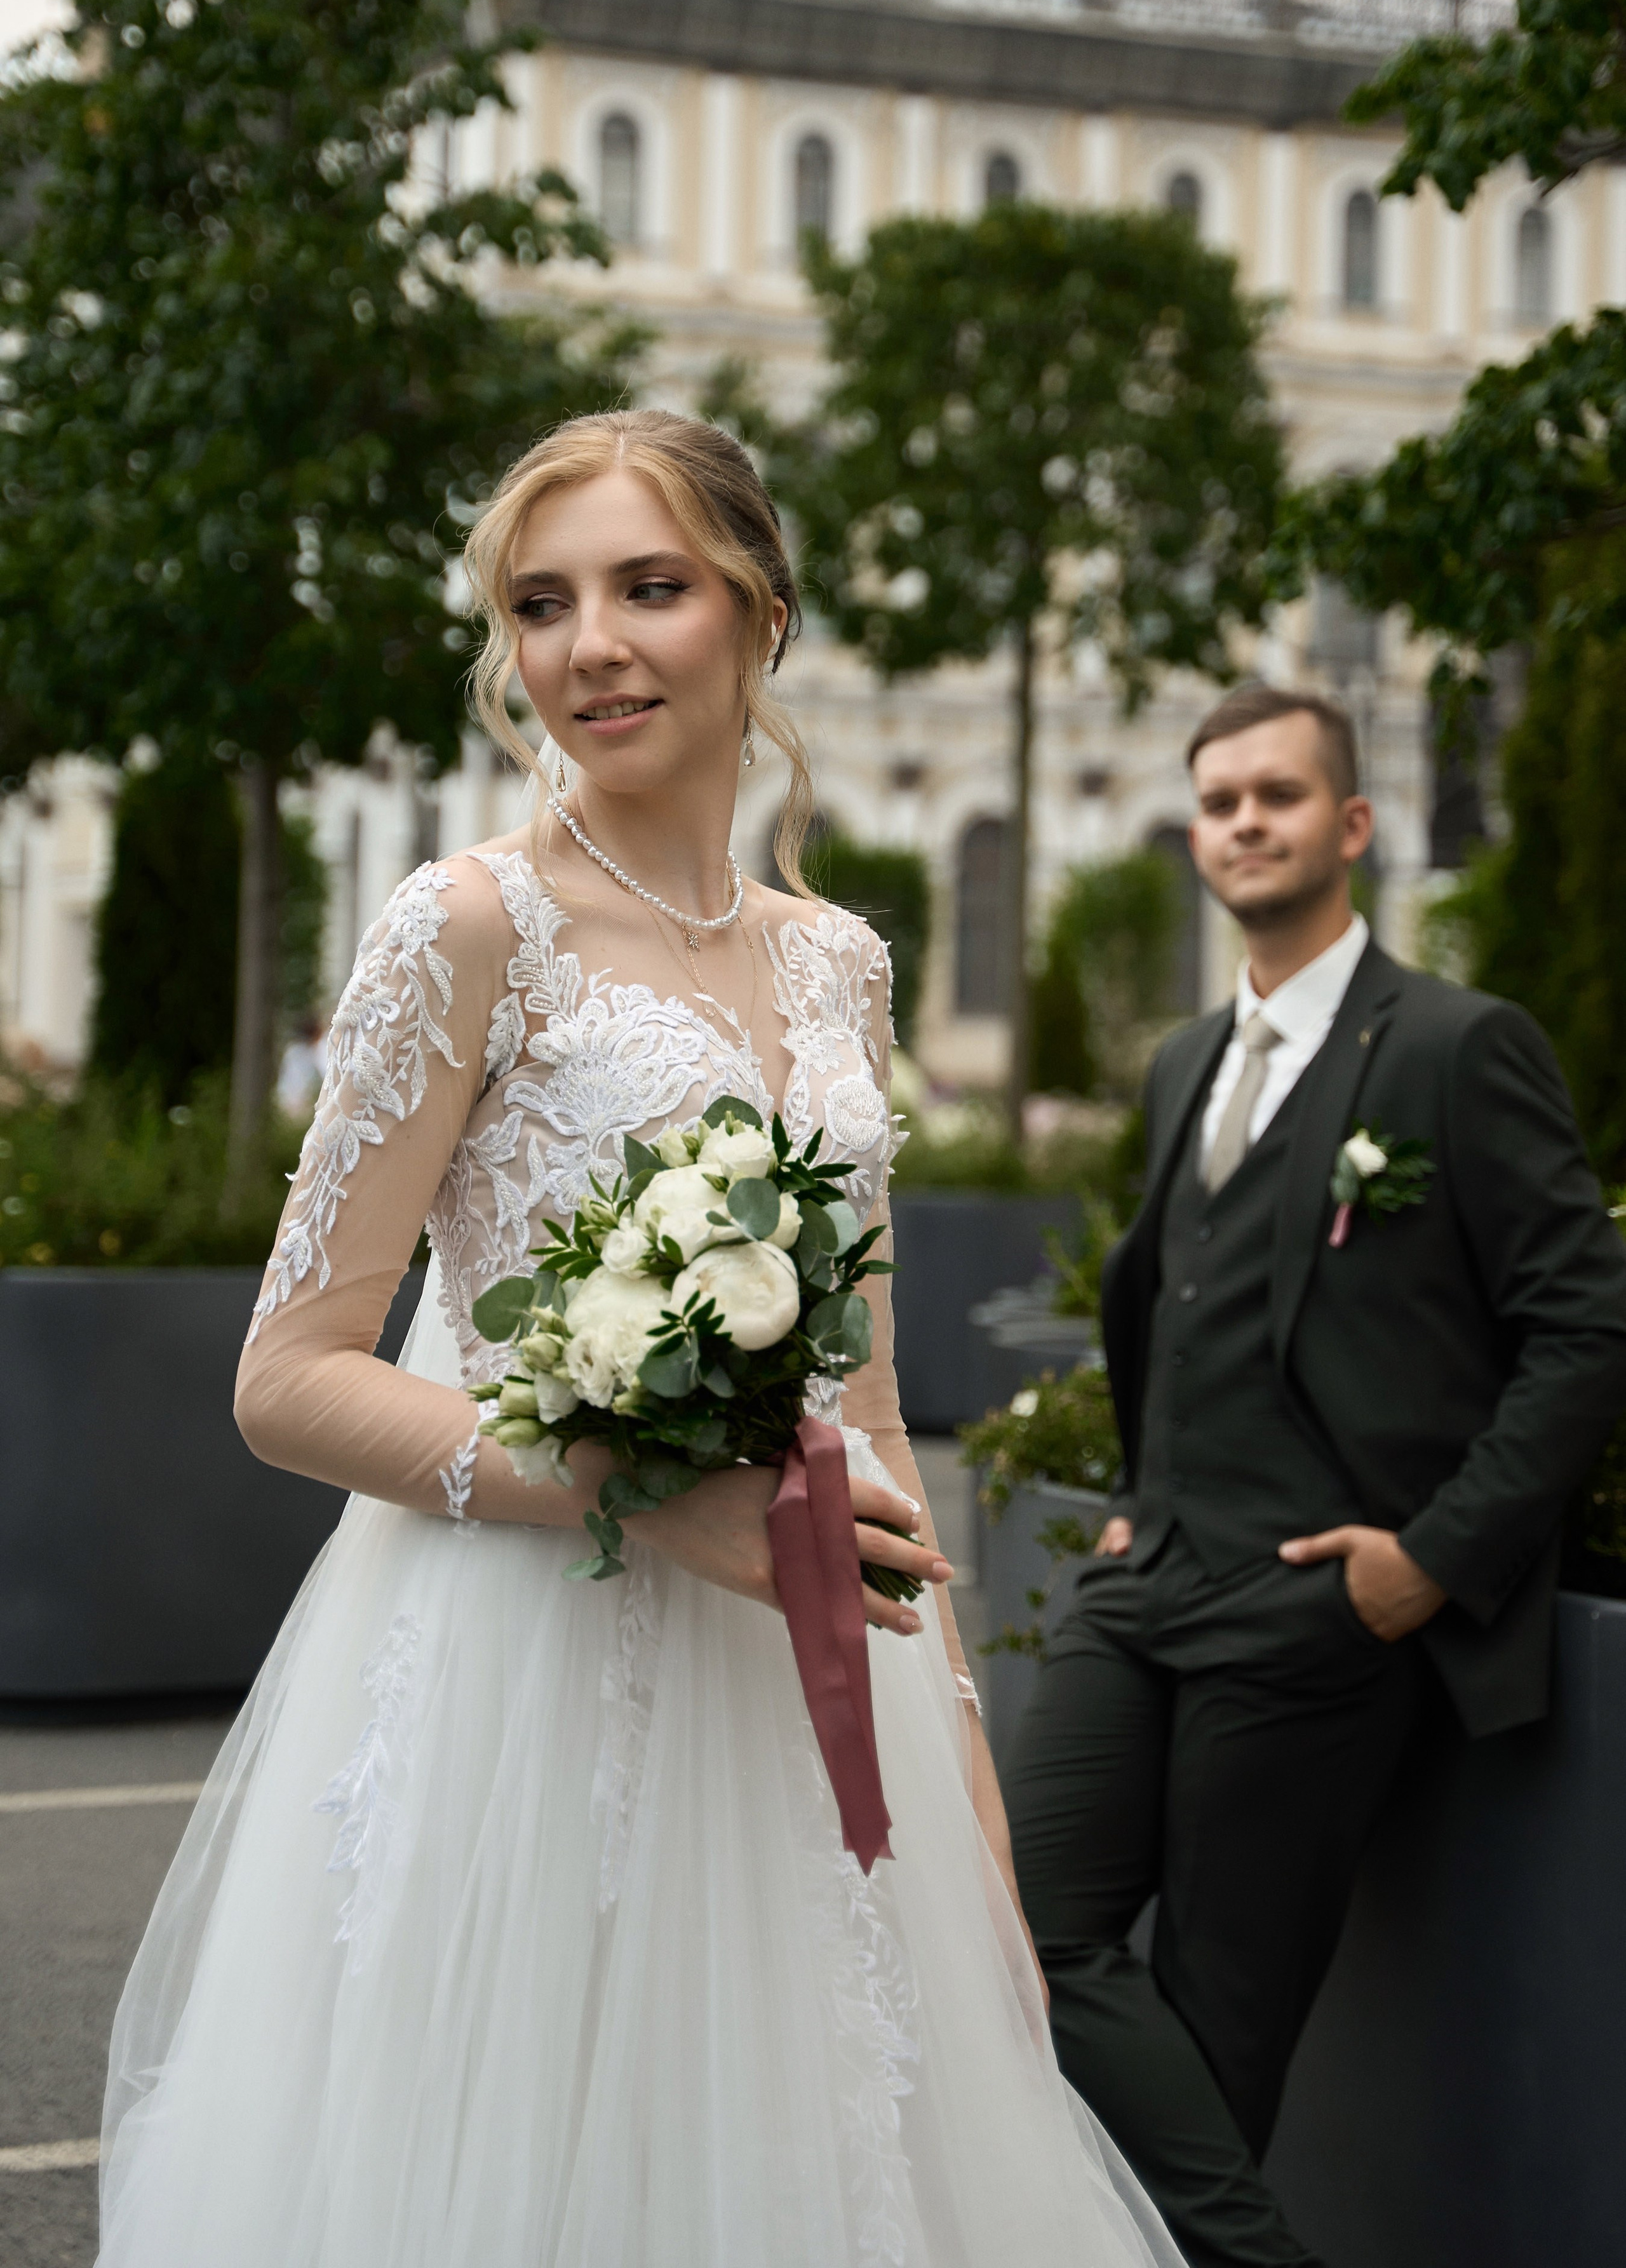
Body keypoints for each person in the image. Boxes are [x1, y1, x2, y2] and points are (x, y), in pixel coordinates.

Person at [95, 410, 1179, 2268]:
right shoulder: (467, 927)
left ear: (761, 613)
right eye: (541, 604)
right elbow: (288, 1380)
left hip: (805, 1697)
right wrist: (639, 1496)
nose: (589, 645)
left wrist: (967, 1805)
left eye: (649, 588)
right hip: (517, 1694)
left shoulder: (841, 960)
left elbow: (869, 1408)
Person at [1003, 683, 1626, 2268]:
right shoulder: (1182, 1062)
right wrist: (1137, 1490)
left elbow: (1584, 1324)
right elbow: (1174, 1301)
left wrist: (1430, 1559)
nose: (1242, 825)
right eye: (1217, 802)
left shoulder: (1456, 1046)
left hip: (1314, 1611)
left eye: (1275, 795)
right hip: (1147, 1575)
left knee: (1219, 2026)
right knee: (1013, 1917)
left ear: (1349, 824)